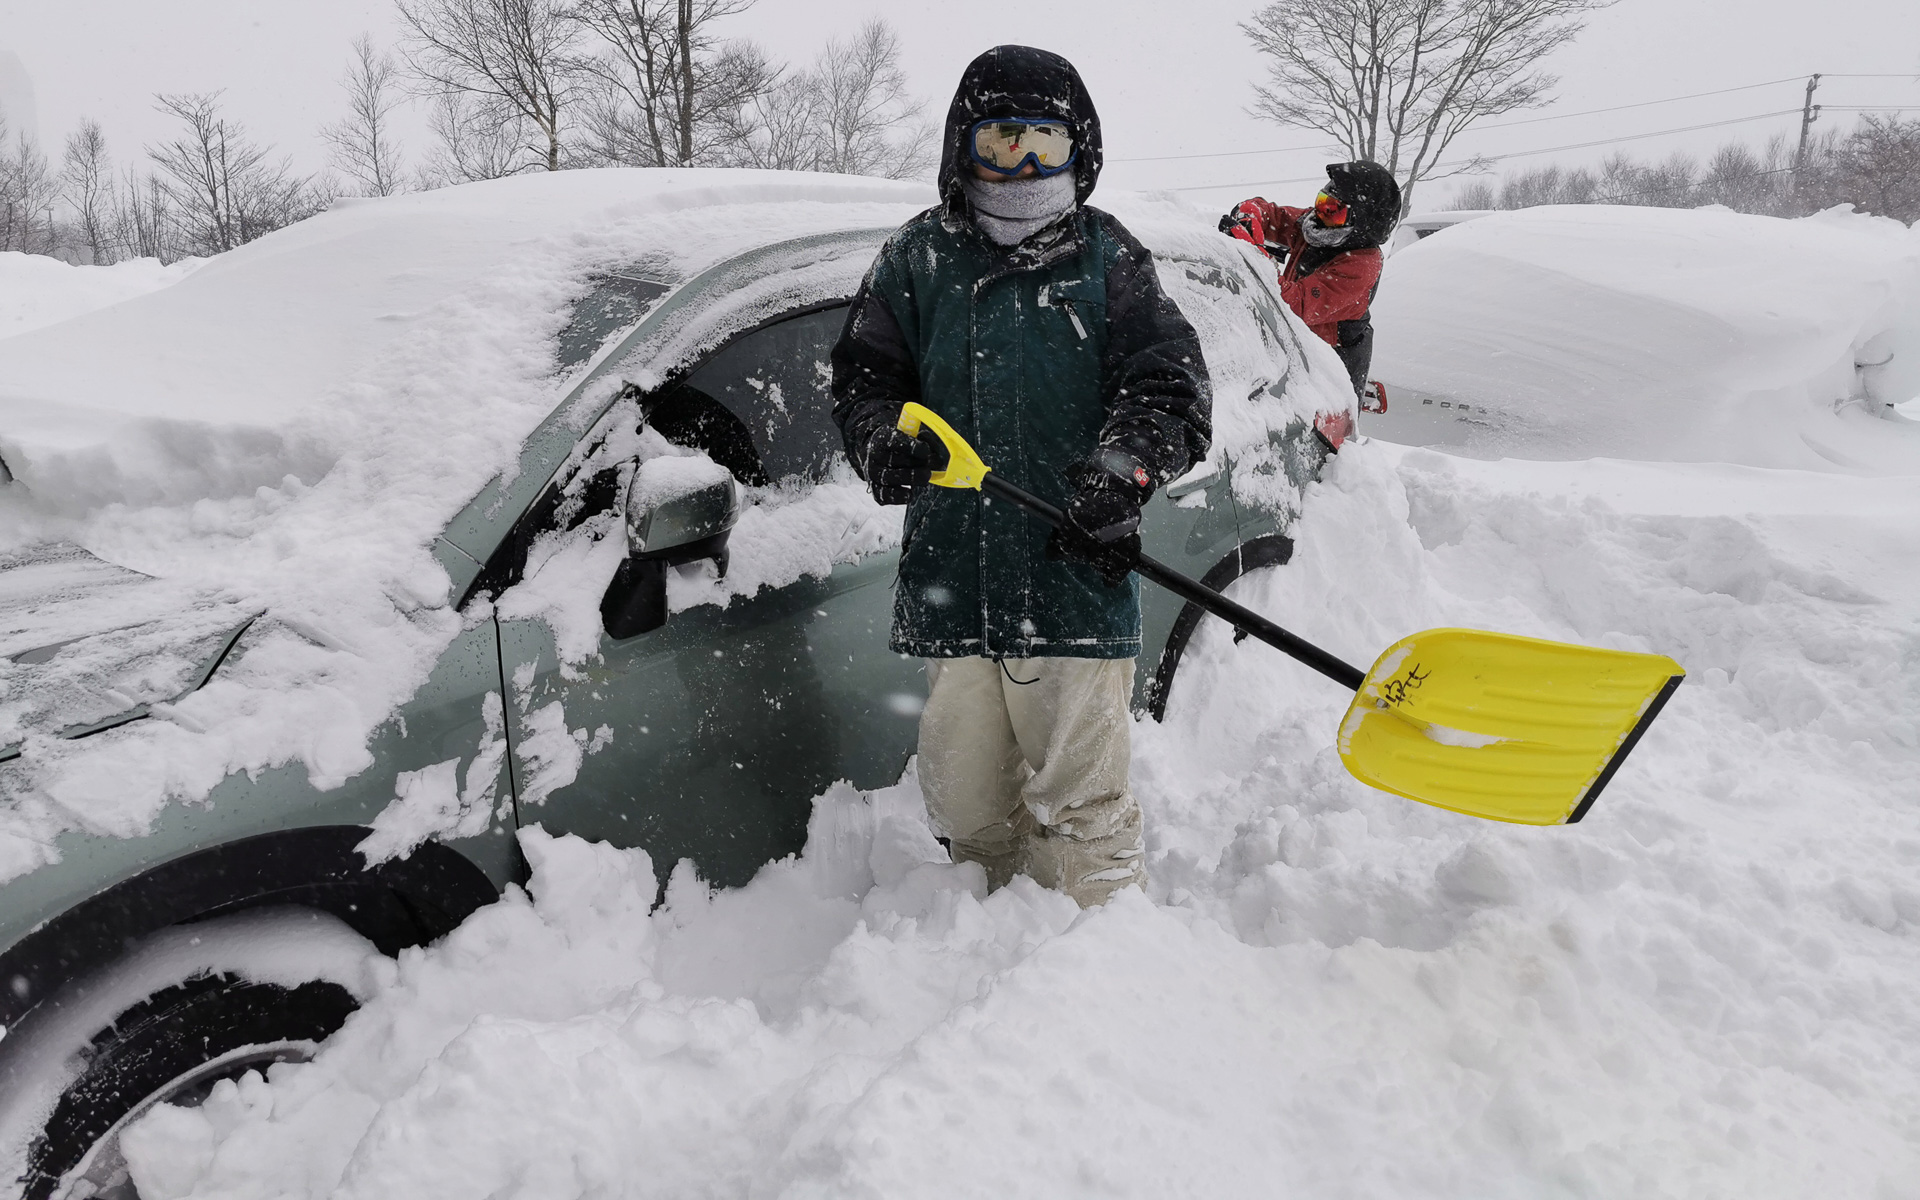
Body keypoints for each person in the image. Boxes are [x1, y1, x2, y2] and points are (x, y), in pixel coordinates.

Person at [830, 45, 1212, 908]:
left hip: (1072, 575)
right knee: (965, 800)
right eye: (1000, 145)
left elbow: (1170, 386)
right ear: (961, 147)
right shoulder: (917, 257)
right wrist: (881, 437)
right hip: (953, 577)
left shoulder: (1108, 257)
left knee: (1082, 801)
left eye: (1043, 144)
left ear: (1081, 149)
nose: (1023, 167)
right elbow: (863, 381)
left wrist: (1121, 473)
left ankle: (1090, 945)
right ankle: (983, 936)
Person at [1220, 162, 1402, 399]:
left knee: (1323, 431)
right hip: (1294, 343)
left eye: (1333, 209)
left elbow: (1295, 304)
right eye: (1322, 202)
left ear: (1362, 223)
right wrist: (1249, 214)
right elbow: (1274, 216)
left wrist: (1256, 256)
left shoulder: (1362, 264)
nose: (1321, 213)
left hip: (1332, 363)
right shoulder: (1317, 227)